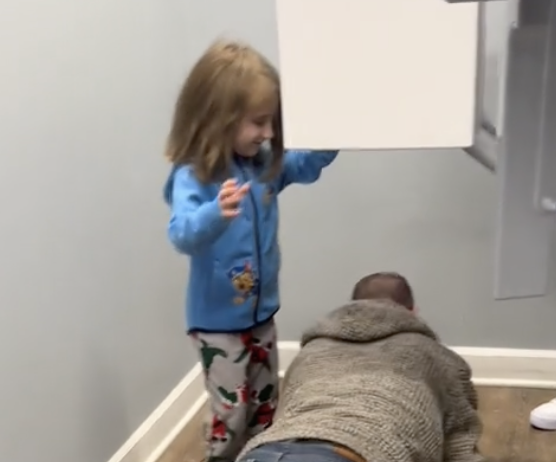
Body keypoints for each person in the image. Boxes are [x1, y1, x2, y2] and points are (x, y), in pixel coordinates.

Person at [162, 39, 338, 462]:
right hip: (217, 325)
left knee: (264, 406)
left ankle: (261, 456)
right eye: (259, 122)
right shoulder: (195, 175)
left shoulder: (261, 164)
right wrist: (214, 214)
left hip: (261, 315)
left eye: (272, 122)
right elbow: (181, 233)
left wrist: (333, 133)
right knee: (231, 412)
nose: (269, 133)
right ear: (219, 118)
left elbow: (304, 165)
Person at [237, 272, 486, 462]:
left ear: (352, 307)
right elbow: (460, 442)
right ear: (413, 312)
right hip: (357, 453)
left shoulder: (311, 352)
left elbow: (288, 413)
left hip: (265, 451)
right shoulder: (438, 357)